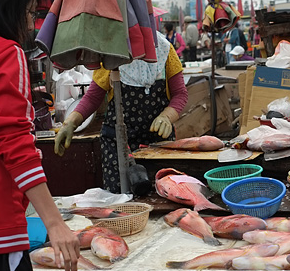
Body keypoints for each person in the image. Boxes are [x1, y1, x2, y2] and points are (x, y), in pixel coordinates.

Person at [0, 0, 80, 271]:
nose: (31, 26)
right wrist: (55, 223)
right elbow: (13, 142)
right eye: (29, 13)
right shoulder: (5, 52)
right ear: (6, 7)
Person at [54, 32, 189, 193]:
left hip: (158, 143)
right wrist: (71, 122)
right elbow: (92, 97)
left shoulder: (165, 50)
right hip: (118, 144)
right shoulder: (113, 54)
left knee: (162, 196)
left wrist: (167, 116)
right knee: (121, 200)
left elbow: (180, 93)